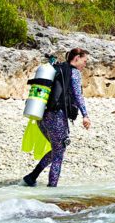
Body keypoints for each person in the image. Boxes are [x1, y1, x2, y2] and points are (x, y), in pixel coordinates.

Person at [23, 48, 92, 187]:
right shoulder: (74, 72)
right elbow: (78, 95)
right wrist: (85, 115)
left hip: (41, 114)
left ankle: (32, 177)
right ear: (77, 58)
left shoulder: (57, 69)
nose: (85, 65)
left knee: (57, 148)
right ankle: (52, 191)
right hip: (56, 116)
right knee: (59, 152)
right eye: (85, 61)